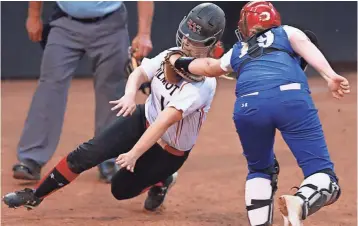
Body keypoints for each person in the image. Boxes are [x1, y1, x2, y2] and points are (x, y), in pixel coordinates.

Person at [3, 3, 225, 212]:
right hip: (143, 119)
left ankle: (163, 180)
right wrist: (129, 96)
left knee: (120, 189)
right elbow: (140, 72)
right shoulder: (173, 54)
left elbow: (163, 122)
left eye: (195, 40)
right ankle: (35, 195)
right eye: (186, 35)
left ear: (210, 43)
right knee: (85, 153)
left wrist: (133, 154)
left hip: (168, 149)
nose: (187, 42)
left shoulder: (202, 87)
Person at [165, 1, 350, 225]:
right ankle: (300, 202)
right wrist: (330, 75)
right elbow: (307, 46)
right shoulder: (287, 31)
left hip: (247, 106)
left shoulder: (237, 50)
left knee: (260, 169)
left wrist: (179, 61)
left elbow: (208, 67)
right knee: (323, 175)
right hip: (290, 98)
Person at [14, 1, 154, 183]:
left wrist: (144, 34)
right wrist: (33, 15)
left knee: (111, 93)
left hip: (111, 25)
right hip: (65, 23)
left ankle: (110, 158)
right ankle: (31, 159)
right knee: (50, 86)